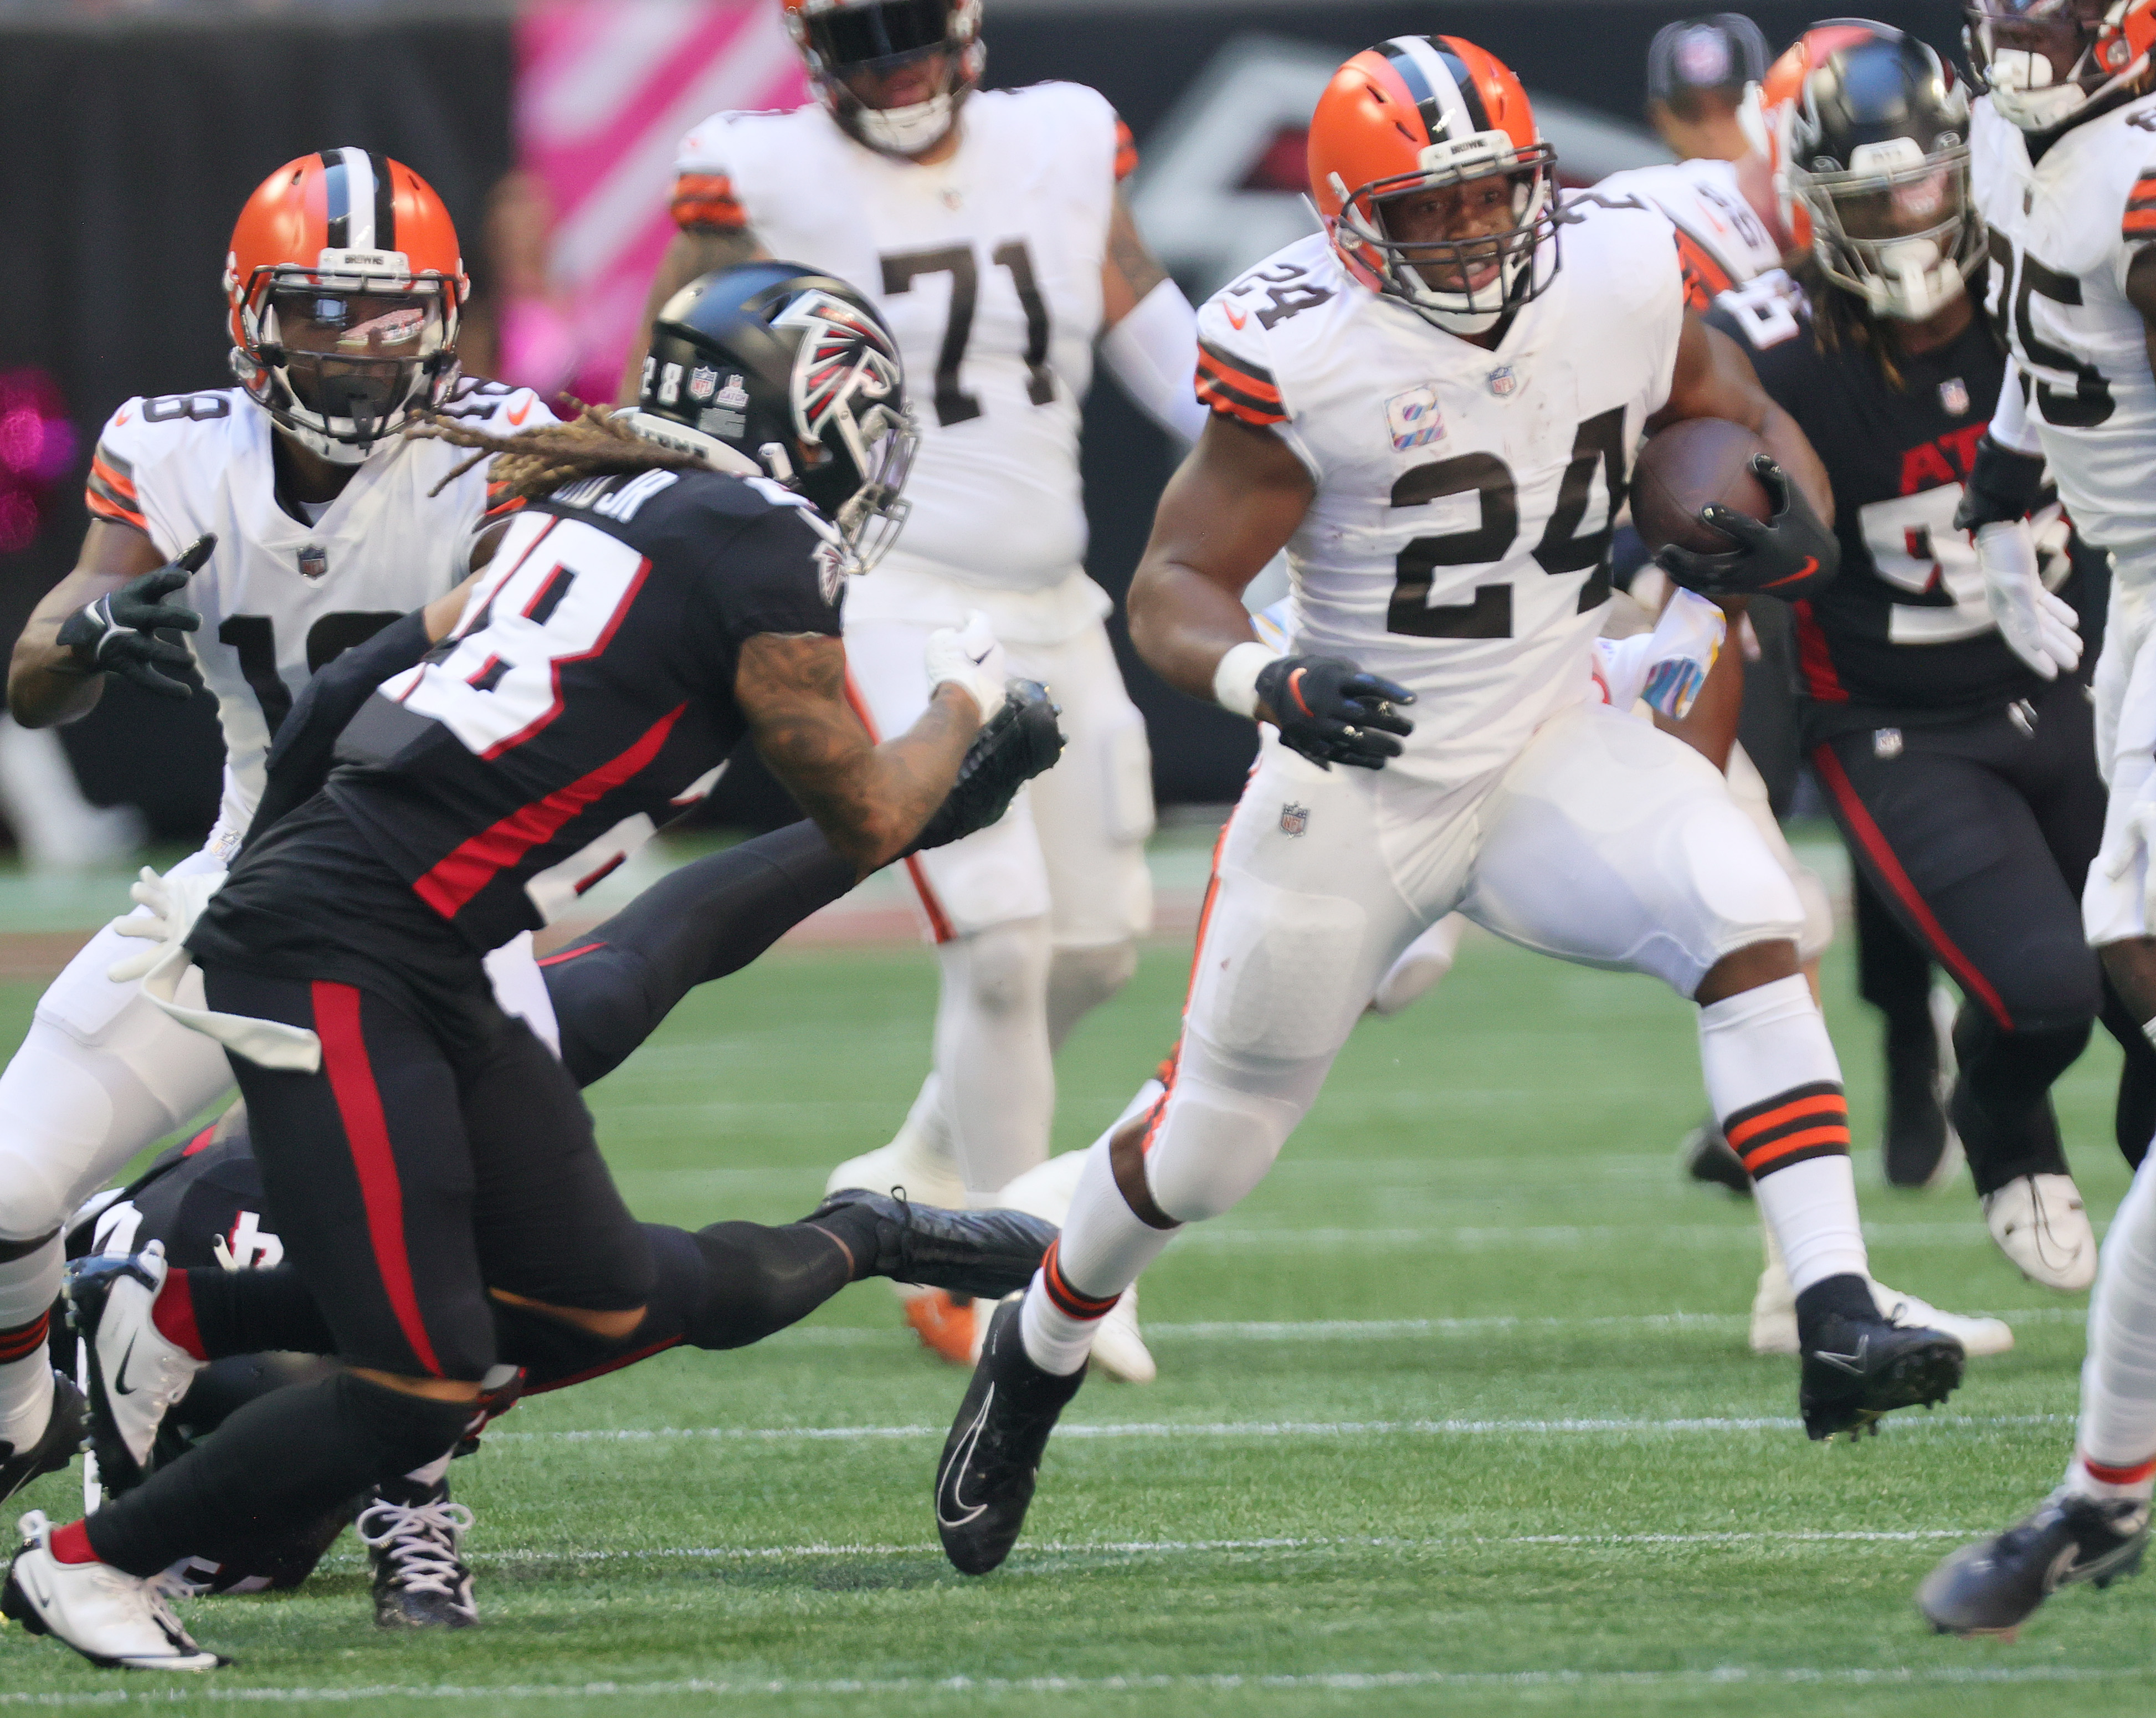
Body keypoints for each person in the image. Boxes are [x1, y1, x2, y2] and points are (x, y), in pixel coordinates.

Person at [928, 35, 1972, 1579]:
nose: (1472, 235)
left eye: (1489, 197)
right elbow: (1172, 587)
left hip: (1548, 735)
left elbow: (1726, 406)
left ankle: (1832, 1310)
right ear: (1351, 224)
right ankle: (1035, 1342)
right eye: (1425, 213)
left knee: (1754, 910)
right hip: (1359, 772)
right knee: (1206, 1155)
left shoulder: (1618, 265)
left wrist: (1777, 516)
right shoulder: (1304, 347)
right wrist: (1267, 685)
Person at [0, 260, 1002, 1672]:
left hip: (414, 943)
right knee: (419, 1373)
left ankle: (164, 1299)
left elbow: (352, 688)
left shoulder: (587, 493)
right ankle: (90, 1564)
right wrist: (967, 703)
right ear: (814, 419)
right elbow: (871, 810)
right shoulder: (750, 535)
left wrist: (281, 850)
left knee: (588, 1296)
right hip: (354, 949)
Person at [622, 0, 1209, 1374]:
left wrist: (1278, 446)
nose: (892, 68)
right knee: (998, 942)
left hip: (1051, 591)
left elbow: (1143, 325)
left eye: (908, 32)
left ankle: (918, 1163)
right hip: (882, 583)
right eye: (860, 37)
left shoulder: (1059, 137)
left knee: (1098, 945)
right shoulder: (751, 168)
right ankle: (1017, 1281)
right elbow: (680, 376)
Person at [0, 150, 562, 1514]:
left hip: (438, 916)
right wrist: (83, 633)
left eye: (391, 316)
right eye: (321, 312)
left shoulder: (499, 447)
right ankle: (24, 1413)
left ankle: (303, 1419)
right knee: (8, 1184)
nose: (361, 353)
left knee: (516, 1279)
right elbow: (33, 672)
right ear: (252, 314)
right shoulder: (173, 447)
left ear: (445, 316)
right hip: (241, 885)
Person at [1722, 22, 2156, 1300]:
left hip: (2073, 672)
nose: (1909, 219)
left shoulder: (2070, 211)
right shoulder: (1774, 350)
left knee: (2136, 985)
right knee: (2040, 995)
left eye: (1924, 185)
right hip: (1897, 715)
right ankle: (2003, 1120)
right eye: (1875, 197)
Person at [1918, 0, 2156, 1637]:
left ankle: (2101, 1491)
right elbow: (2039, 331)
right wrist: (2012, 475)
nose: (2020, 28)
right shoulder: (2018, 136)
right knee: (2125, 955)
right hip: (2138, 597)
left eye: (2053, 6)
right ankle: (2107, 1490)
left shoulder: (2137, 170)